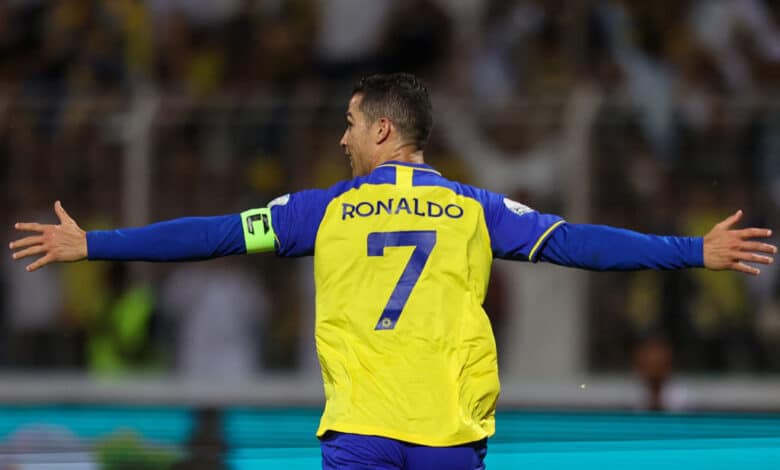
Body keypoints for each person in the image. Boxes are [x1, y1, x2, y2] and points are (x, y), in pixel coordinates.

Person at [8, 73, 777, 470]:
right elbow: (581, 243)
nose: (342, 138)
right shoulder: (479, 209)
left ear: (381, 128)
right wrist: (689, 251)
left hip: (360, 434)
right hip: (449, 434)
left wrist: (97, 244)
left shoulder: (324, 211)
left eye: (348, 123)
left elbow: (212, 234)